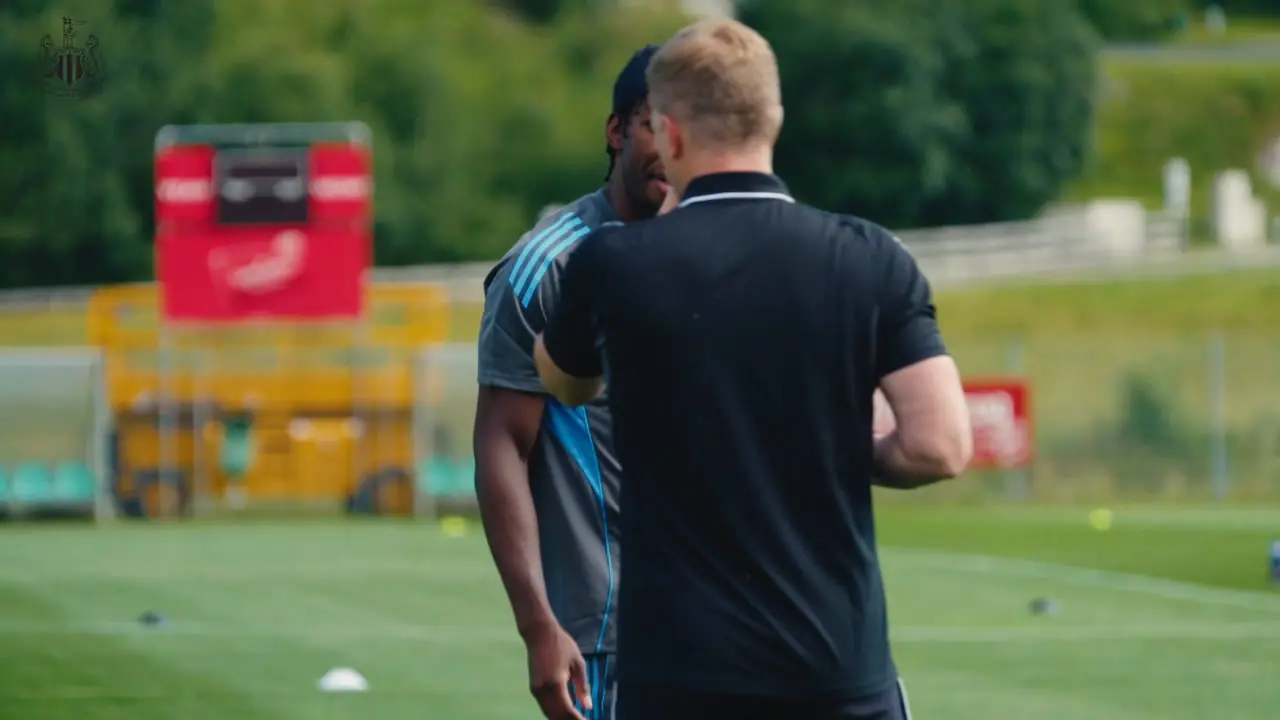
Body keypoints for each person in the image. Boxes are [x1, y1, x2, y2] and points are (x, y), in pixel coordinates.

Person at [533, 18, 973, 720]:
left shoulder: (615, 264)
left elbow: (564, 383)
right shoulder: (870, 258)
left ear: (669, 133)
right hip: (837, 669)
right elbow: (940, 446)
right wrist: (821, 450)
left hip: (679, 672)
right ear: (773, 119)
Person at [473, 45, 675, 720]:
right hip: (613, 633)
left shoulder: (724, 254)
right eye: (652, 124)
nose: (670, 148)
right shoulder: (549, 267)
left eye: (689, 130)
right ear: (615, 131)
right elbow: (503, 442)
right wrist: (538, 624)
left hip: (729, 624)